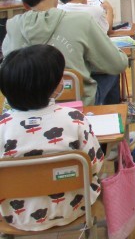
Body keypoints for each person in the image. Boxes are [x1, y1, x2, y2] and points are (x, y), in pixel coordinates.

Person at [0, 45, 104, 232]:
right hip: (74, 208)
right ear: (52, 85)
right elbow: (94, 165)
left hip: (16, 215)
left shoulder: (2, 126)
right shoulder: (74, 118)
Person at [2, 0, 128, 106]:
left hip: (24, 105)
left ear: (25, 5)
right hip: (75, 103)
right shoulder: (81, 21)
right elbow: (118, 63)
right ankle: (110, 116)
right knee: (111, 71)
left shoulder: (13, 26)